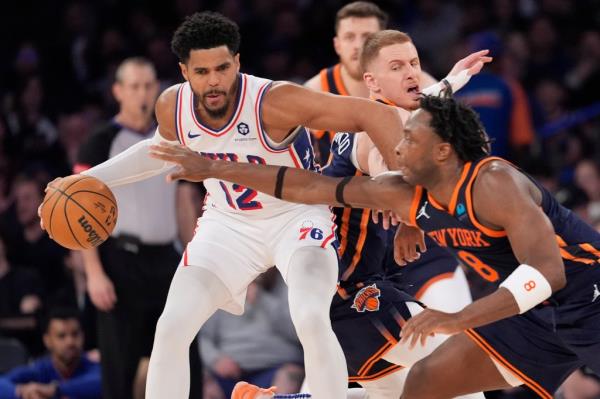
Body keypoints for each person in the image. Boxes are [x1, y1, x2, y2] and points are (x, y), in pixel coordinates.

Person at [40, 11, 407, 399]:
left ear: (237, 62)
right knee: (171, 327)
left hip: (296, 218)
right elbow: (156, 151)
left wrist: (404, 194)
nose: (213, 80)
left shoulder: (275, 101)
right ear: (184, 71)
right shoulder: (172, 107)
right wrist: (87, 179)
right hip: (228, 225)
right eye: (202, 71)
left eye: (222, 67)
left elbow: (375, 114)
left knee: (312, 318)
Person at [149, 95, 600, 399]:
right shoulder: (402, 193)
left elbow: (548, 273)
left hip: (587, 297)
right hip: (532, 316)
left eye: (410, 138)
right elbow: (308, 186)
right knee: (422, 384)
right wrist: (214, 166)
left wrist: (457, 317)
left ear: (443, 151)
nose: (397, 146)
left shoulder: (493, 183)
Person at [304, 30, 489, 398]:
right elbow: (388, 173)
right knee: (465, 369)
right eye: (397, 66)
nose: (412, 74)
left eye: (415, 64)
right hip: (354, 294)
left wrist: (453, 79)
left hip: (344, 294)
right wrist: (408, 219)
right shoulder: (375, 131)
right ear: (371, 81)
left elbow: (415, 113)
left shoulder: (377, 117)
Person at [72, 57, 202, 399]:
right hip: (120, 259)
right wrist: (94, 274)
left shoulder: (172, 137)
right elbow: (78, 210)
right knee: (120, 363)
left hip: (165, 258)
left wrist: (196, 255)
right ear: (118, 91)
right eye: (134, 86)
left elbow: (183, 203)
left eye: (148, 85)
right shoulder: (101, 140)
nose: (143, 93)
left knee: (185, 350)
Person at [304, 1, 436, 164]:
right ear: (337, 45)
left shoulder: (423, 85)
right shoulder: (315, 91)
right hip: (339, 186)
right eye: (349, 37)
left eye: (367, 37)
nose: (358, 46)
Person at [0, 308, 101, 399]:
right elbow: (2, 383)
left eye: (75, 334)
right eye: (61, 336)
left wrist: (54, 390)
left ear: (83, 336)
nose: (70, 342)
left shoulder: (92, 367)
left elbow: (100, 382)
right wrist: (22, 392)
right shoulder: (40, 369)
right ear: (47, 340)